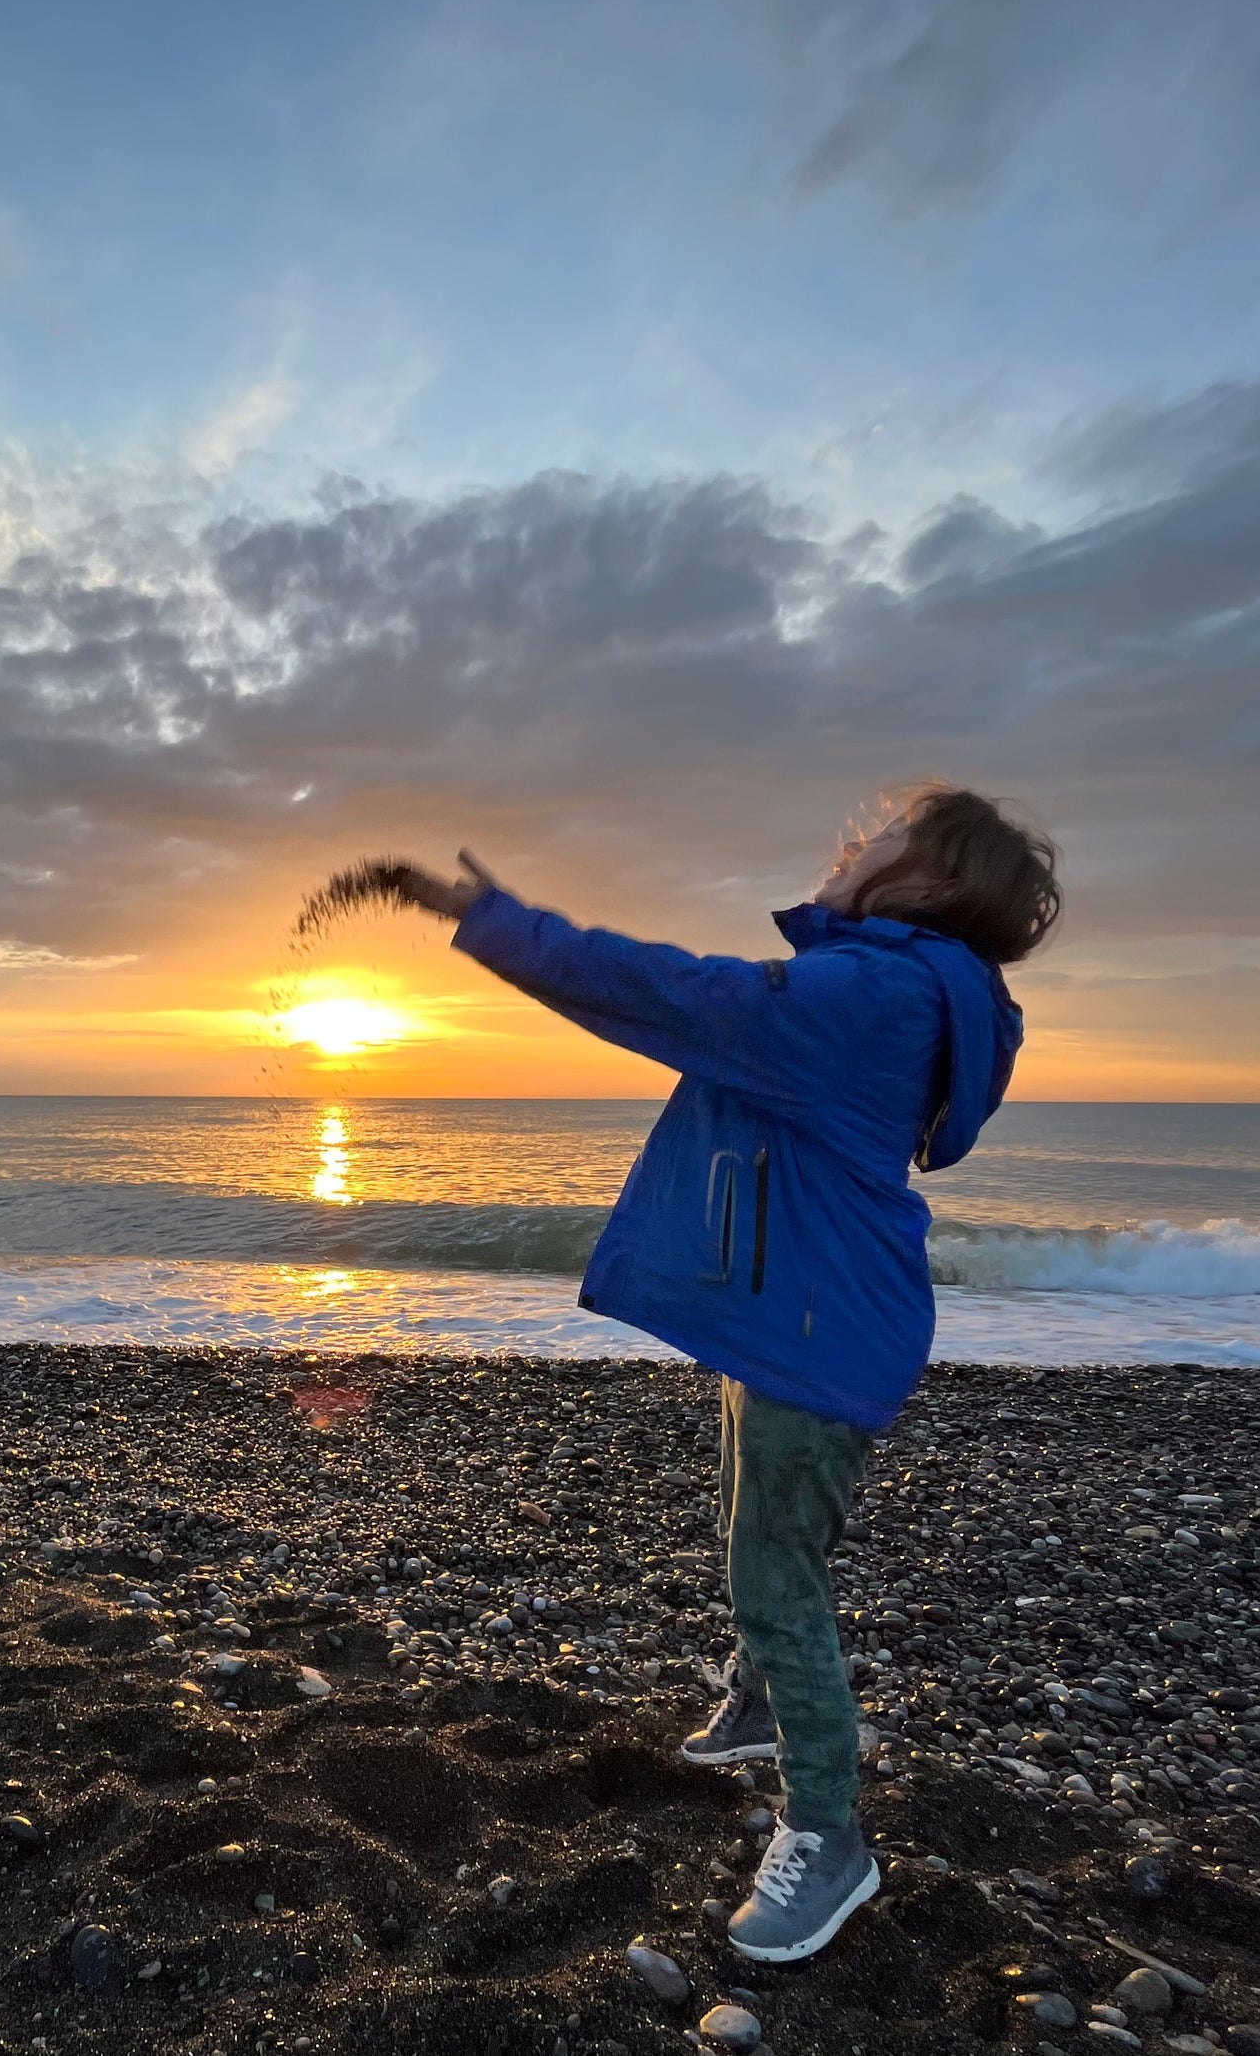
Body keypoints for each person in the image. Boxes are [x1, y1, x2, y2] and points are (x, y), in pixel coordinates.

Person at [397, 785, 1059, 1963]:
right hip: (798, 1313)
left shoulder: (871, 993)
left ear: (927, 880)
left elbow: (678, 993)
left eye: (879, 839)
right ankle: (757, 1704)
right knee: (748, 1519)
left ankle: (828, 1834)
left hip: (819, 1329)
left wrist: (502, 925)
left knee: (775, 1572)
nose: (850, 846)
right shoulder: (894, 986)